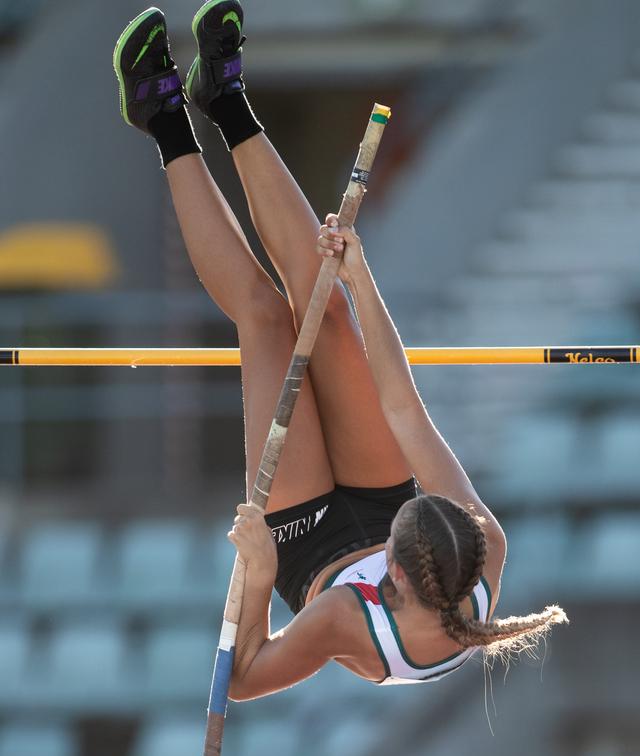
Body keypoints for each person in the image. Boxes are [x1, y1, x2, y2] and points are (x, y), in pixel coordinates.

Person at [113, 2, 567, 698]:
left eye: (389, 551)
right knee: (324, 310)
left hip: (306, 548)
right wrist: (359, 275)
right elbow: (404, 412)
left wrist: (259, 576)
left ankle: (163, 118)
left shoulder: (348, 619)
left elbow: (241, 678)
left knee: (265, 318)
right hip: (377, 494)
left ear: (393, 584)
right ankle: (226, 101)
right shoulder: (484, 543)